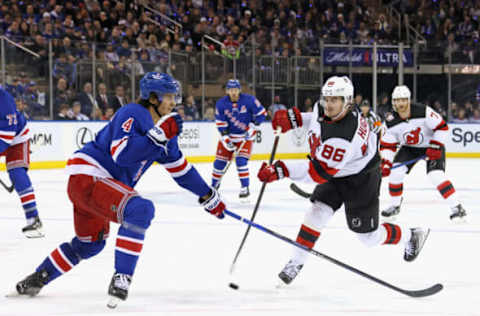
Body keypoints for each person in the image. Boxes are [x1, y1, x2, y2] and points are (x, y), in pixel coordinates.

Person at [14, 72, 227, 307]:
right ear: (153, 98)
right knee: (140, 210)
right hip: (89, 177)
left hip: (96, 188)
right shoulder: (133, 113)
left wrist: (207, 195)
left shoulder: (166, 131)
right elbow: (122, 154)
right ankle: (122, 278)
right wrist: (157, 136)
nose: (173, 101)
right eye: (168, 96)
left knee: (90, 244)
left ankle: (38, 277)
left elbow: (181, 170)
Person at [257, 76, 430, 286]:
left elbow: (317, 174)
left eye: (334, 100)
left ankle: (411, 236)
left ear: (347, 101)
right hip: (339, 170)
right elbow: (316, 118)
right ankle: (296, 261)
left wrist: (280, 170)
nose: (328, 104)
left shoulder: (344, 137)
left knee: (368, 238)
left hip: (361, 179)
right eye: (326, 98)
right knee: (316, 212)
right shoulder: (332, 107)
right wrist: (293, 120)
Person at [379, 85, 467, 221]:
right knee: (396, 173)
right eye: (397, 100)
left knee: (435, 175)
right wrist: (386, 163)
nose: (400, 103)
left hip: (431, 146)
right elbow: (387, 146)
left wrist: (435, 146)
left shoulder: (423, 111)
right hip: (409, 148)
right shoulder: (390, 122)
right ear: (393, 102)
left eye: (403, 100)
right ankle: (395, 205)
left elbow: (442, 127)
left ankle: (457, 207)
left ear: (408, 100)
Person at [211, 79, 267, 201]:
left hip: (244, 137)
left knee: (241, 161)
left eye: (236, 90)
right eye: (231, 90)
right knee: (219, 163)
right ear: (227, 91)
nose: (234, 92)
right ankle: (214, 185)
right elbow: (221, 123)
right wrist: (226, 138)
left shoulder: (249, 100)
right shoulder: (221, 103)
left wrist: (254, 126)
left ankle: (245, 188)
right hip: (229, 136)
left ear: (239, 90)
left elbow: (262, 113)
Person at [0, 88, 43, 238]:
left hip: (16, 137)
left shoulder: (4, 100)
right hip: (5, 136)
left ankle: (33, 218)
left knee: (16, 172)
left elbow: (7, 134)